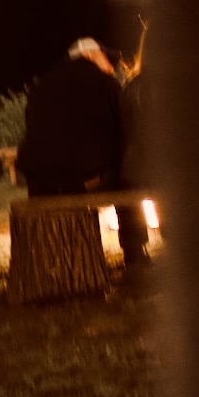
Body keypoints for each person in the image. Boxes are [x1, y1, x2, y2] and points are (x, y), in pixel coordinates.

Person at [18, 38, 148, 268]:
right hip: (86, 181)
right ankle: (135, 252)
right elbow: (125, 135)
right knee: (129, 176)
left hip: (40, 184)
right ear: (88, 55)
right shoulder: (106, 84)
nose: (112, 68)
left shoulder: (41, 86)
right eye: (107, 60)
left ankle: (55, 261)